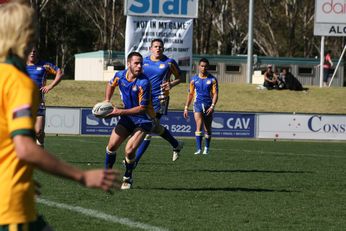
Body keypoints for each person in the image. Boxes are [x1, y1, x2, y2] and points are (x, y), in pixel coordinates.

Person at [0, 2, 121, 230]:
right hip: (11, 208)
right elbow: (24, 147)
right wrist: (81, 176)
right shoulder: (19, 82)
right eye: (32, 27)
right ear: (24, 33)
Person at [103, 51, 155, 190]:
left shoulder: (144, 82)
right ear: (129, 64)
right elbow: (110, 85)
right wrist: (107, 100)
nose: (139, 66)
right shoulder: (119, 76)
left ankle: (127, 177)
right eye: (136, 63)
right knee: (111, 147)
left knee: (129, 151)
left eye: (141, 63)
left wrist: (119, 112)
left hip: (143, 120)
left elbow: (142, 108)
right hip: (127, 118)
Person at [134, 38, 184, 164]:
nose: (158, 48)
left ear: (163, 49)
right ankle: (176, 144)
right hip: (144, 98)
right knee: (153, 127)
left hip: (160, 98)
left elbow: (180, 77)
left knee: (148, 130)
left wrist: (171, 84)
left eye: (160, 47)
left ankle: (134, 160)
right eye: (155, 46)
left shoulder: (169, 62)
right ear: (150, 48)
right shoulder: (143, 62)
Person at [26, 47, 63, 147]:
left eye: (34, 51)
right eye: (30, 51)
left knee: (39, 131)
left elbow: (59, 72)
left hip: (38, 102)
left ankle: (40, 144)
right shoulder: (20, 65)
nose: (32, 53)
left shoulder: (44, 65)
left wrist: (50, 86)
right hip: (22, 103)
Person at [183, 58, 218, 155]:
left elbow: (215, 94)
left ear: (208, 67)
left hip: (208, 105)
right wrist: (186, 107)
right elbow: (190, 94)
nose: (204, 68)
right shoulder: (194, 80)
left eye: (205, 66)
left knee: (207, 128)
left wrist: (212, 106)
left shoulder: (212, 79)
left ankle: (206, 148)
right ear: (199, 67)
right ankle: (198, 149)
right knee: (199, 125)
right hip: (197, 104)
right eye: (202, 66)